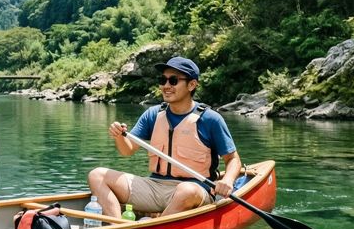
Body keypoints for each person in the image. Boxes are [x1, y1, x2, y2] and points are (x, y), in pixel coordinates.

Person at [87, 56, 242, 217]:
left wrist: (228, 180)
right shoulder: (153, 114)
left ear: (192, 85)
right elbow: (127, 150)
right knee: (97, 175)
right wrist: (119, 136)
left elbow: (233, 159)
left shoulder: (210, 119)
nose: (166, 86)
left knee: (186, 190)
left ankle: (153, 227)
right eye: (163, 80)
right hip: (154, 186)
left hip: (194, 190)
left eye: (173, 81)